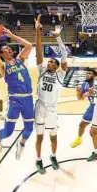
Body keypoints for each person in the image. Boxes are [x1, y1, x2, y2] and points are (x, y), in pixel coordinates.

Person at [0, 26, 34, 160]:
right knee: (7, 132)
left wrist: (12, 35)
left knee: (29, 128)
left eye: (9, 48)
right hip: (15, 100)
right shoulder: (3, 67)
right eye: (6, 50)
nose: (9, 50)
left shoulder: (20, 59)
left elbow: (29, 45)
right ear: (2, 54)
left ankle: (22, 144)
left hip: (28, 99)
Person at [33, 16, 67, 175]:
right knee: (39, 136)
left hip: (52, 108)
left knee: (53, 136)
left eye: (53, 62)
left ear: (58, 66)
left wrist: (58, 37)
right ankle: (39, 160)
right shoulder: (41, 71)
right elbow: (38, 50)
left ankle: (53, 156)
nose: (49, 63)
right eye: (49, 61)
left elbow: (64, 56)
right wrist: (37, 31)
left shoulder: (60, 75)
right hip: (39, 106)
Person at [70, 69, 97, 157]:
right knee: (82, 125)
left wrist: (90, 93)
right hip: (92, 107)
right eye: (86, 73)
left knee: (93, 132)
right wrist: (78, 93)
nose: (87, 75)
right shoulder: (84, 84)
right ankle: (79, 139)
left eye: (89, 73)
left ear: (94, 76)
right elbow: (80, 98)